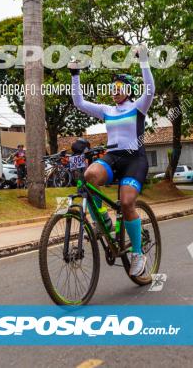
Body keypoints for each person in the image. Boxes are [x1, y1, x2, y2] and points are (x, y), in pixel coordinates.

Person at [69, 45, 155, 280]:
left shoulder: (138, 107)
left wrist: (144, 60)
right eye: (111, 88)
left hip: (134, 159)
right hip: (113, 157)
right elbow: (79, 102)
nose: (114, 91)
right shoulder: (107, 110)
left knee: (127, 203)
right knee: (89, 176)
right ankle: (103, 221)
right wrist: (75, 75)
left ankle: (138, 254)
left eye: (118, 88)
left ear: (128, 90)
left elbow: (151, 88)